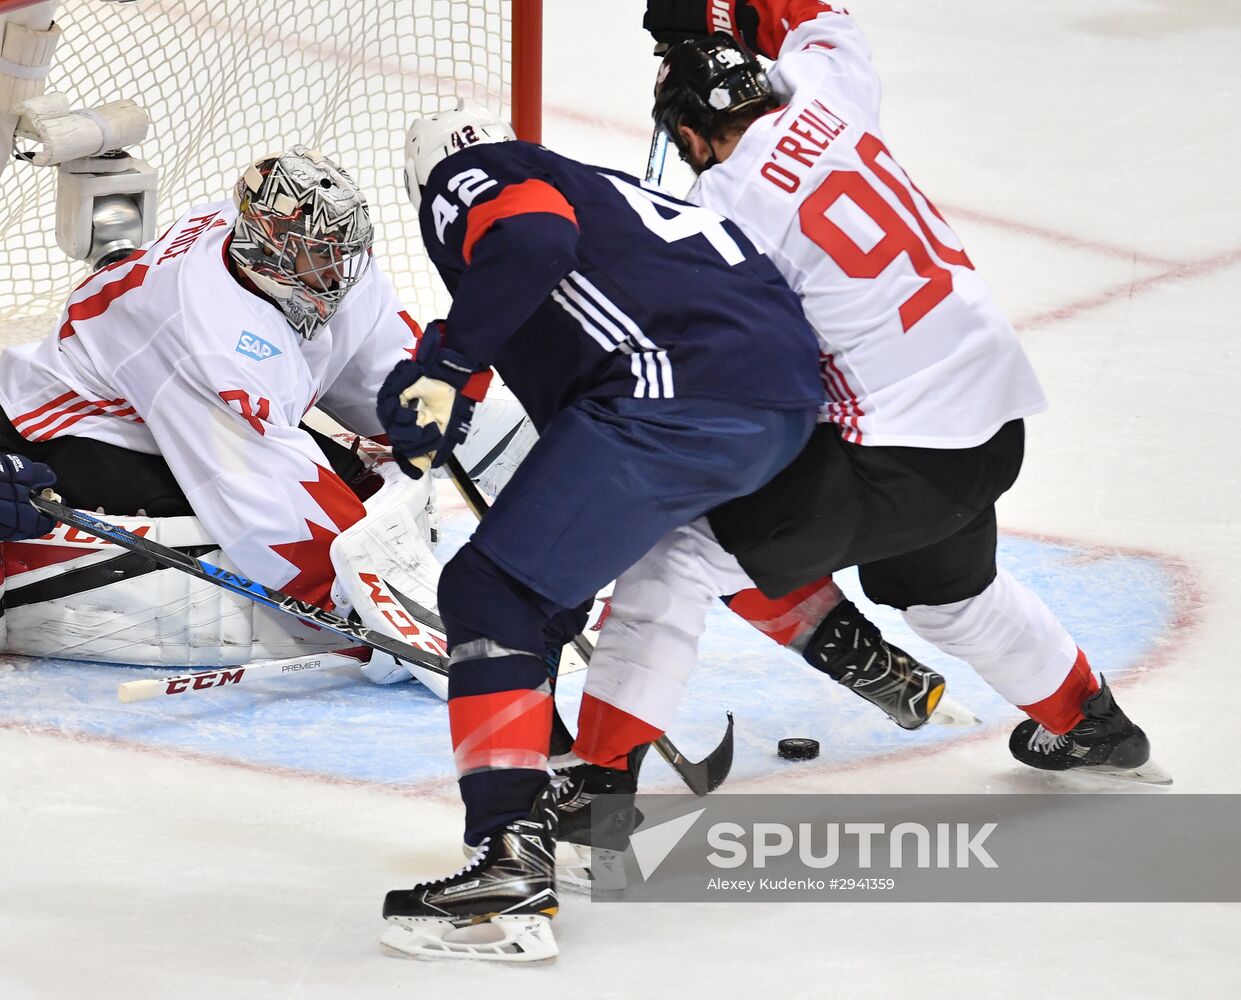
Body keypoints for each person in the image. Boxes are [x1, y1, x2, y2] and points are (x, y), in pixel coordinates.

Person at [558, 0, 1160, 830]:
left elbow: (726, 374)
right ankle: (1092, 726)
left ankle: (594, 801)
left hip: (899, 455)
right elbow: (818, 14)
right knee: (948, 593)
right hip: (988, 425)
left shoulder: (727, 214)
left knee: (677, 548)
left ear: (692, 138)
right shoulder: (823, 91)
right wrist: (721, 10)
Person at [375, 104, 824, 962]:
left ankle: (508, 864)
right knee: (534, 599)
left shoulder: (473, 173)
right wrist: (446, 370)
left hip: (674, 395)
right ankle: (576, 829)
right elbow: (543, 287)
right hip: (777, 407)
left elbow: (530, 240)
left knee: (487, 589)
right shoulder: (605, 189)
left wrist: (446, 369)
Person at [0, 146, 450, 682]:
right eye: (320, 255)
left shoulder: (302, 257)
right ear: (270, 252)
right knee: (215, 531)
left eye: (344, 251)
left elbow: (385, 365)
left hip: (155, 401)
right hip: (71, 422)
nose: (339, 270)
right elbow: (276, 512)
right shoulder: (207, 333)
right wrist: (387, 609)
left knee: (358, 488)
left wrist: (432, 422)